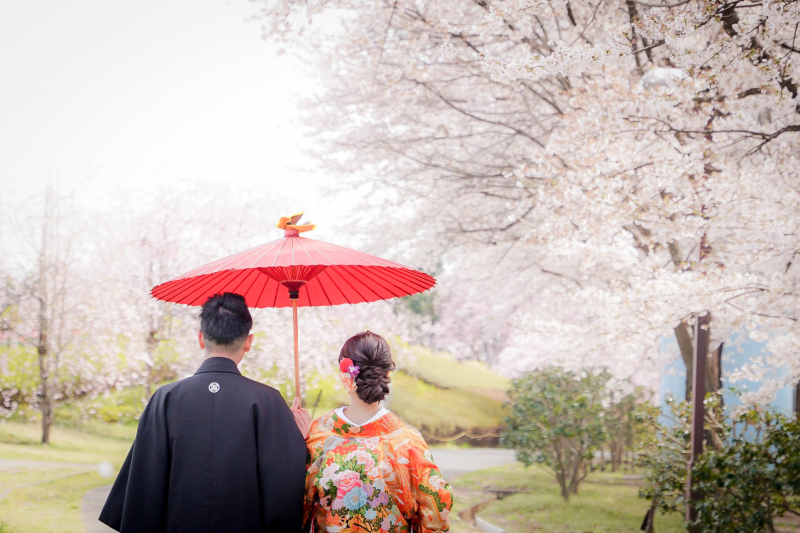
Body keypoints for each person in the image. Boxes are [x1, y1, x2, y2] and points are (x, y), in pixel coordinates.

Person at [99, 292, 311, 532]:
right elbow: (282, 488)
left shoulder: (165, 398)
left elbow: (145, 480)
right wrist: (298, 439)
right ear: (249, 342)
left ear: (201, 338)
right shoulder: (268, 401)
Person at [303, 331, 453, 533]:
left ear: (344, 373)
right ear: (387, 374)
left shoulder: (319, 435)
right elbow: (436, 510)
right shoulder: (407, 441)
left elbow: (299, 502)